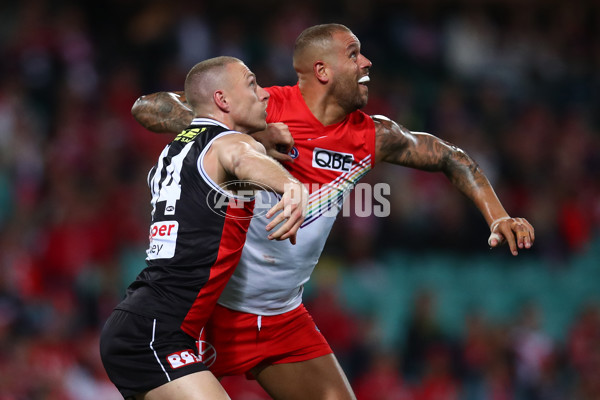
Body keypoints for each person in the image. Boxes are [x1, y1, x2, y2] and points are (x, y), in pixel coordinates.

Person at [131, 24, 535, 400]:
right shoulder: (259, 107)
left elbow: (452, 158)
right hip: (211, 312)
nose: (367, 63)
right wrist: (240, 130)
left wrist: (498, 215)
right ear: (322, 70)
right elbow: (147, 108)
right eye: (354, 54)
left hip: (281, 318)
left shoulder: (374, 135)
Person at [99, 56, 308, 400]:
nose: (265, 95)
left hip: (148, 322)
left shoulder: (177, 148)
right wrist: (291, 186)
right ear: (223, 100)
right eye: (252, 84)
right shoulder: (229, 144)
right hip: (153, 333)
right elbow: (241, 157)